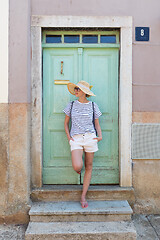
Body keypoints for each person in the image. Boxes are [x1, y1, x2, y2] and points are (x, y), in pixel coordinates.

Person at [63, 81, 102, 208]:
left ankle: (83, 196)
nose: (76, 91)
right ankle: (79, 170)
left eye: (78, 89)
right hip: (76, 139)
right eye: (75, 89)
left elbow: (96, 123)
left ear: (85, 92)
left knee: (89, 167)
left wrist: (99, 136)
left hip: (90, 138)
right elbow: (66, 123)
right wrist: (70, 138)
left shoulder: (93, 105)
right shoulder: (71, 105)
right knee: (77, 166)